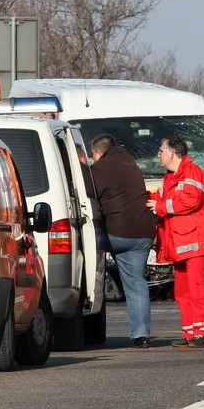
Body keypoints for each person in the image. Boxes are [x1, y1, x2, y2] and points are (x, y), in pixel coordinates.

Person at [149, 137, 204, 348]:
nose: (159, 155)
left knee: (197, 289)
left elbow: (189, 200)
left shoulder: (192, 173)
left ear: (172, 153)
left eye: (161, 151)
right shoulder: (170, 177)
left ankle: (201, 333)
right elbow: (162, 198)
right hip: (181, 244)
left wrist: (160, 206)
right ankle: (190, 333)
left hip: (196, 243)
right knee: (182, 292)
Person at [89, 134, 156, 348]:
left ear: (98, 153)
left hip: (116, 233)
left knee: (84, 260)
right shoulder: (132, 165)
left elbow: (87, 194)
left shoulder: (100, 169)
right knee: (137, 283)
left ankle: (86, 323)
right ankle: (141, 335)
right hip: (143, 233)